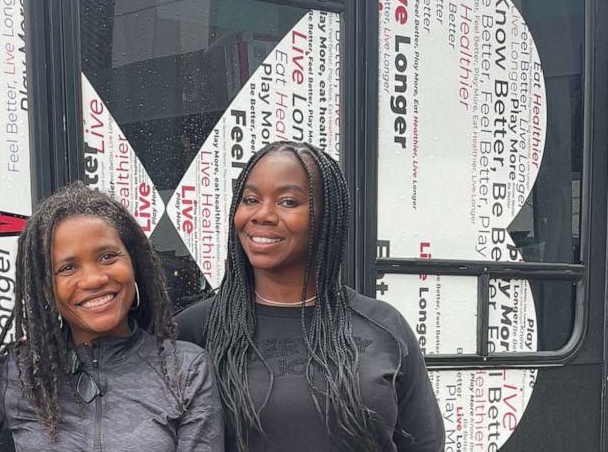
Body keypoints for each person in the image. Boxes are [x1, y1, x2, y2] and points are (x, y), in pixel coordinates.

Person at [176, 141, 444, 452]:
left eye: (288, 202)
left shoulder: (383, 325)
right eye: (250, 199)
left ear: (326, 217)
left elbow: (424, 443)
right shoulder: (195, 332)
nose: (262, 214)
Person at [0, 182, 224, 451]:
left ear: (134, 262)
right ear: (46, 286)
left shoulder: (185, 369)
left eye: (107, 256)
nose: (92, 279)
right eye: (67, 267)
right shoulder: (19, 372)